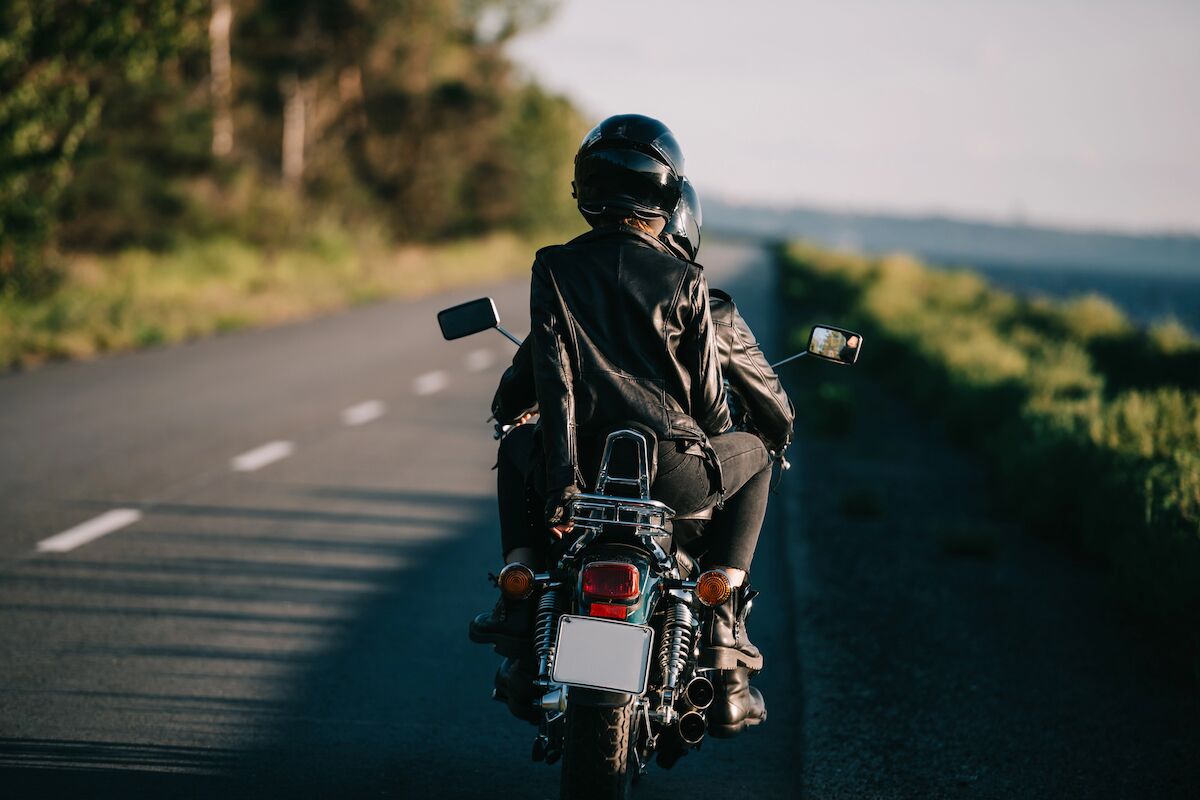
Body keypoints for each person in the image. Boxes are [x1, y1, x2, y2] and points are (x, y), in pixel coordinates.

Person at [469, 114, 792, 735]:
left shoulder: (554, 269)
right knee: (754, 450)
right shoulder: (689, 281)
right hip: (673, 476)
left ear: (585, 188)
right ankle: (723, 617)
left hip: (579, 471)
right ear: (668, 196)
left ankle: (517, 597)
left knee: (516, 446)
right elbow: (710, 404)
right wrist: (729, 435)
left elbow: (547, 380)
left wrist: (561, 476)